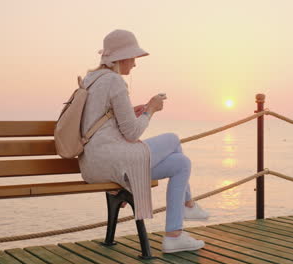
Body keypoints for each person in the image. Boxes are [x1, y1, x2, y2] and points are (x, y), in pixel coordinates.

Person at [78, 29, 209, 253]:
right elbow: (132, 134)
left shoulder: (92, 79)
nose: (135, 64)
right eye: (133, 58)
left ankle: (174, 235)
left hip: (92, 165)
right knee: (173, 138)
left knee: (181, 164)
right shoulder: (115, 81)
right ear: (122, 57)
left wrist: (132, 110)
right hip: (113, 165)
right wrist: (150, 109)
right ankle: (188, 205)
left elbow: (105, 123)